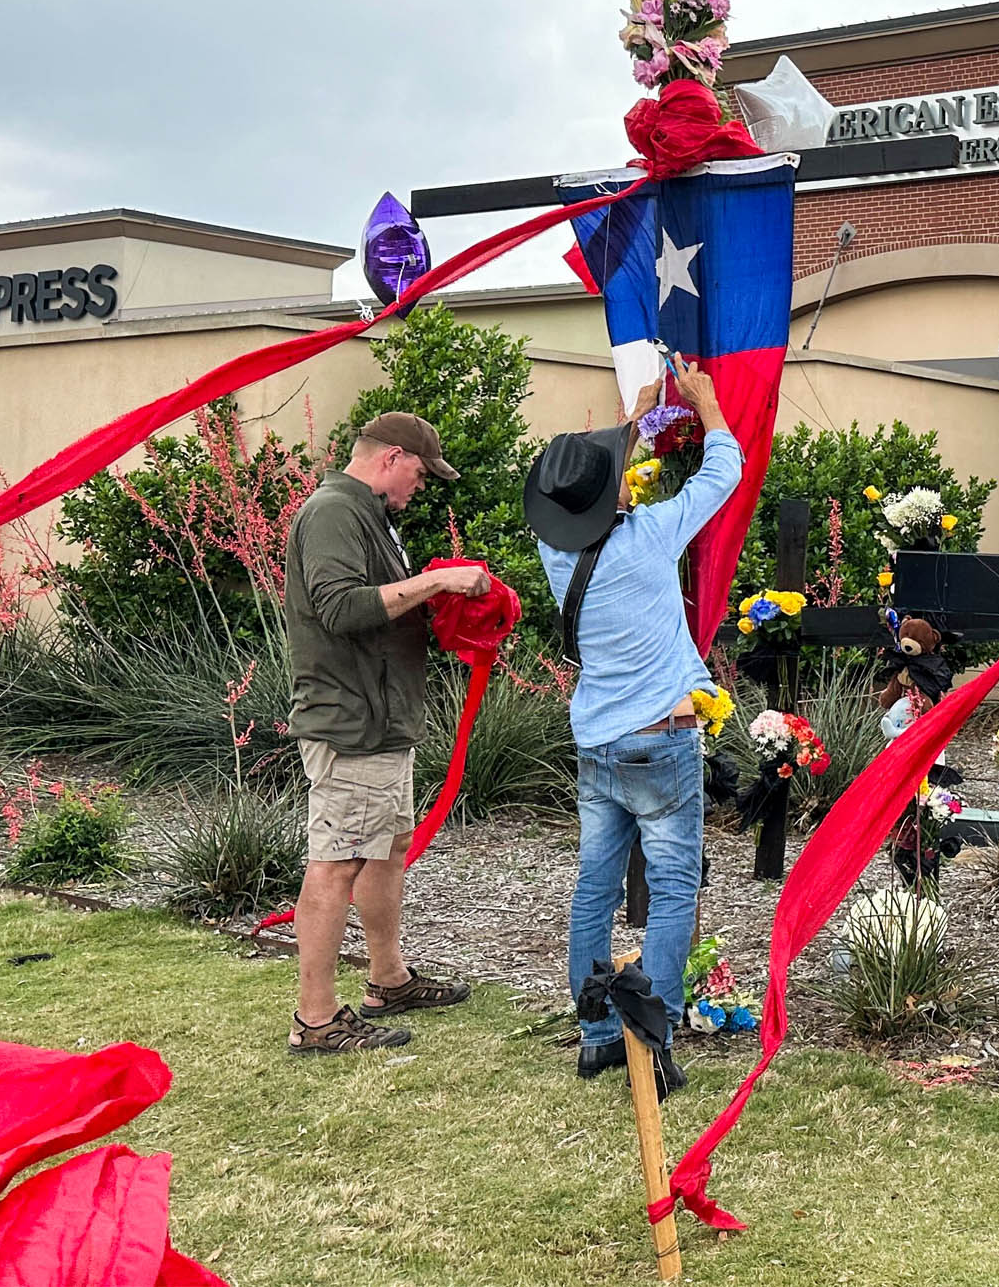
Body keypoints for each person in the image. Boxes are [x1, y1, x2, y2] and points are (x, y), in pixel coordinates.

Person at [527, 362, 737, 1096]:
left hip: (597, 746)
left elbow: (598, 483)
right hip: (662, 739)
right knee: (674, 889)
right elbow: (724, 472)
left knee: (594, 889)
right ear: (616, 493)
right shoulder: (651, 534)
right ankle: (657, 1030)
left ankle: (594, 1038)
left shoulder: (558, 553)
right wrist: (706, 406)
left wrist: (640, 416)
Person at [283, 412, 487, 1055]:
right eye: (420, 474)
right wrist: (436, 581)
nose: (419, 487)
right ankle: (315, 1019)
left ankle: (388, 980)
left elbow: (376, 603)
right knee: (337, 862)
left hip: (380, 720)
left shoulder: (370, 517)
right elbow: (340, 607)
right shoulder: (334, 512)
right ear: (392, 458)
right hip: (351, 723)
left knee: (386, 851)